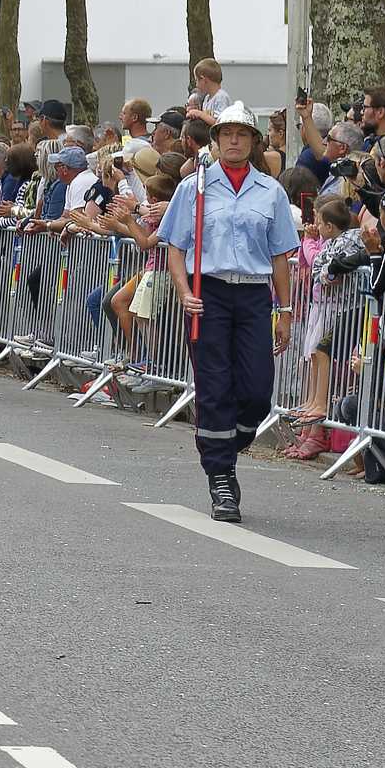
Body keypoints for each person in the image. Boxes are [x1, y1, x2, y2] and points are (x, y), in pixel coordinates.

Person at [157, 101, 300, 522]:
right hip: (209, 293)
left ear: (253, 142)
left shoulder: (271, 191)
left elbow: (279, 256)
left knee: (257, 391)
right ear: (217, 140)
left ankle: (224, 446)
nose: (234, 141)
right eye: (226, 134)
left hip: (254, 295)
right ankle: (220, 476)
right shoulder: (195, 187)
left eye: (241, 134)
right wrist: (184, 291)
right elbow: (176, 246)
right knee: (215, 386)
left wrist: (285, 310)